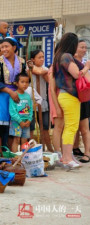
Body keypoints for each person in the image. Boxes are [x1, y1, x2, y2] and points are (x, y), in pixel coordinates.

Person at [52, 32, 90, 169]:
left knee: (70, 127)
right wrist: (86, 67)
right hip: (70, 96)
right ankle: (67, 158)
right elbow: (77, 74)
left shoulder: (58, 57)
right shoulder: (66, 56)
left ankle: (67, 157)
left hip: (64, 95)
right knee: (71, 127)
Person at [0, 37, 26, 150]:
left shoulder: (22, 62)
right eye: (2, 47)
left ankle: (10, 152)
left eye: (6, 46)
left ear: (14, 47)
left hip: (17, 95)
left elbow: (24, 79)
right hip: (1, 96)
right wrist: (10, 92)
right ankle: (0, 154)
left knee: (12, 126)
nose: (4, 49)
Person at [29, 50, 53, 152]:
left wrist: (44, 72)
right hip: (31, 102)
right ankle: (31, 150)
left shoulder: (45, 69)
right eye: (39, 57)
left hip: (43, 101)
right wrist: (37, 70)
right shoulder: (28, 69)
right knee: (30, 128)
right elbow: (36, 71)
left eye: (43, 57)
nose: (42, 59)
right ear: (33, 59)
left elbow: (49, 80)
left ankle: (50, 149)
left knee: (45, 127)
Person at [73, 40, 90, 163]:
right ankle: (75, 148)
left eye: (85, 47)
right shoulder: (73, 62)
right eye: (81, 47)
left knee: (84, 127)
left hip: (83, 97)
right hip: (73, 96)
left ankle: (87, 152)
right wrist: (86, 68)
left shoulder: (84, 63)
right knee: (73, 127)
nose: (84, 50)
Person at [9, 72, 33, 152]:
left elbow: (30, 109)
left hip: (26, 122)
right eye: (22, 82)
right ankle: (15, 158)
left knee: (24, 141)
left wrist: (29, 120)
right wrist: (20, 121)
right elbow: (12, 111)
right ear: (17, 83)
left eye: (26, 82)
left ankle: (23, 158)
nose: (25, 84)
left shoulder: (28, 96)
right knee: (16, 140)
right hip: (16, 122)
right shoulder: (14, 95)